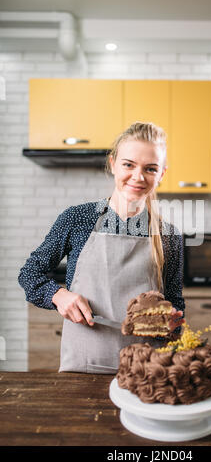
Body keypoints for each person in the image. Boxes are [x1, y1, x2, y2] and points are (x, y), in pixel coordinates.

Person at [18, 122, 185, 374]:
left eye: (150, 168)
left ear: (161, 174)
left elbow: (175, 302)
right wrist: (58, 295)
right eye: (128, 164)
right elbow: (30, 273)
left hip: (146, 370)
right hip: (84, 365)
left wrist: (173, 321)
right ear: (112, 164)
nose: (138, 177)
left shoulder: (169, 235)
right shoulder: (77, 219)